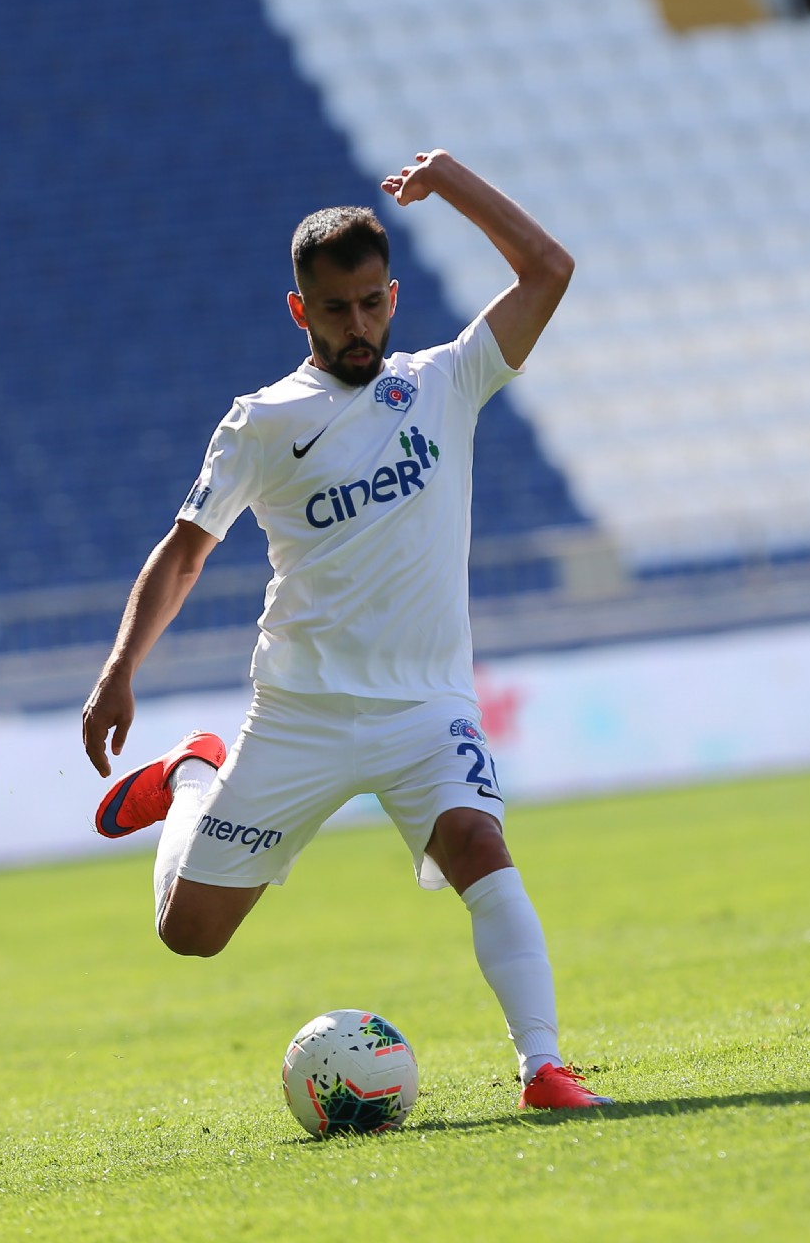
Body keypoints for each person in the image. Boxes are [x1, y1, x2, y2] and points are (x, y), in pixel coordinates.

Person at [81, 150, 610, 1110]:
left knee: (479, 846)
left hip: (426, 708)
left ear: (393, 296)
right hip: (303, 713)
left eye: (371, 303)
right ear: (301, 311)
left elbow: (550, 271)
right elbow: (184, 551)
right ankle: (193, 773)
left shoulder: (445, 380)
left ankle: (544, 1068)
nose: (358, 325)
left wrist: (450, 180)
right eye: (336, 309)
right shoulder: (262, 423)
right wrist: (121, 670)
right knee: (189, 934)